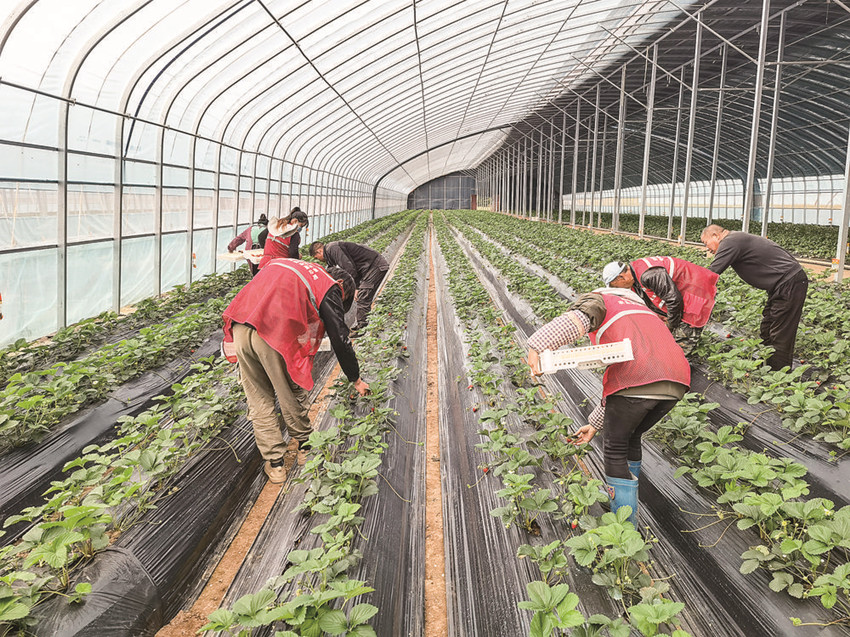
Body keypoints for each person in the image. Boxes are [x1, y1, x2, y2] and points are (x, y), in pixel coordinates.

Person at [527, 287, 690, 527]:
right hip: (677, 380)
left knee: (615, 449)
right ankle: (625, 505)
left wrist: (537, 347)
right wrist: (594, 424)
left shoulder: (602, 301)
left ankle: (625, 529)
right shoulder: (643, 311)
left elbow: (576, 320)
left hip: (638, 376)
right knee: (631, 437)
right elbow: (622, 400)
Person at [222, 259, 370, 483]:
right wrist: (355, 379)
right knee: (289, 390)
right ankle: (305, 447)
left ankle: (276, 465)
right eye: (343, 299)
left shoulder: (292, 268)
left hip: (241, 327)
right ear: (340, 284)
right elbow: (340, 338)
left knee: (259, 398)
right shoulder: (328, 284)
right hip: (272, 331)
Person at [700, 224, 808, 371]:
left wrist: (690, 288)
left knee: (780, 331)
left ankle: (778, 373)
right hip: (782, 284)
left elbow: (711, 273)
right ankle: (768, 366)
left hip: (789, 282)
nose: (707, 248)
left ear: (715, 236)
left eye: (705, 243)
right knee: (768, 327)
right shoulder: (735, 239)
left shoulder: (730, 241)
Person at [602, 257, 718, 356]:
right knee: (671, 337)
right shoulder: (636, 275)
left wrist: (670, 325)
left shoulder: (650, 275)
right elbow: (649, 300)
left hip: (696, 290)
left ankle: (681, 365)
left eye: (615, 286)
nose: (618, 289)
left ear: (621, 277)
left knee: (679, 346)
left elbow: (674, 300)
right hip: (682, 292)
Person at [309, 240, 389, 336]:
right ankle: (361, 325)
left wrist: (356, 288)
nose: (318, 260)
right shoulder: (330, 253)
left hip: (374, 266)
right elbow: (331, 270)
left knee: (362, 297)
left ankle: (362, 329)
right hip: (369, 268)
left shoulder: (332, 248)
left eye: (316, 258)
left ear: (319, 251)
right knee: (363, 296)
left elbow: (349, 268)